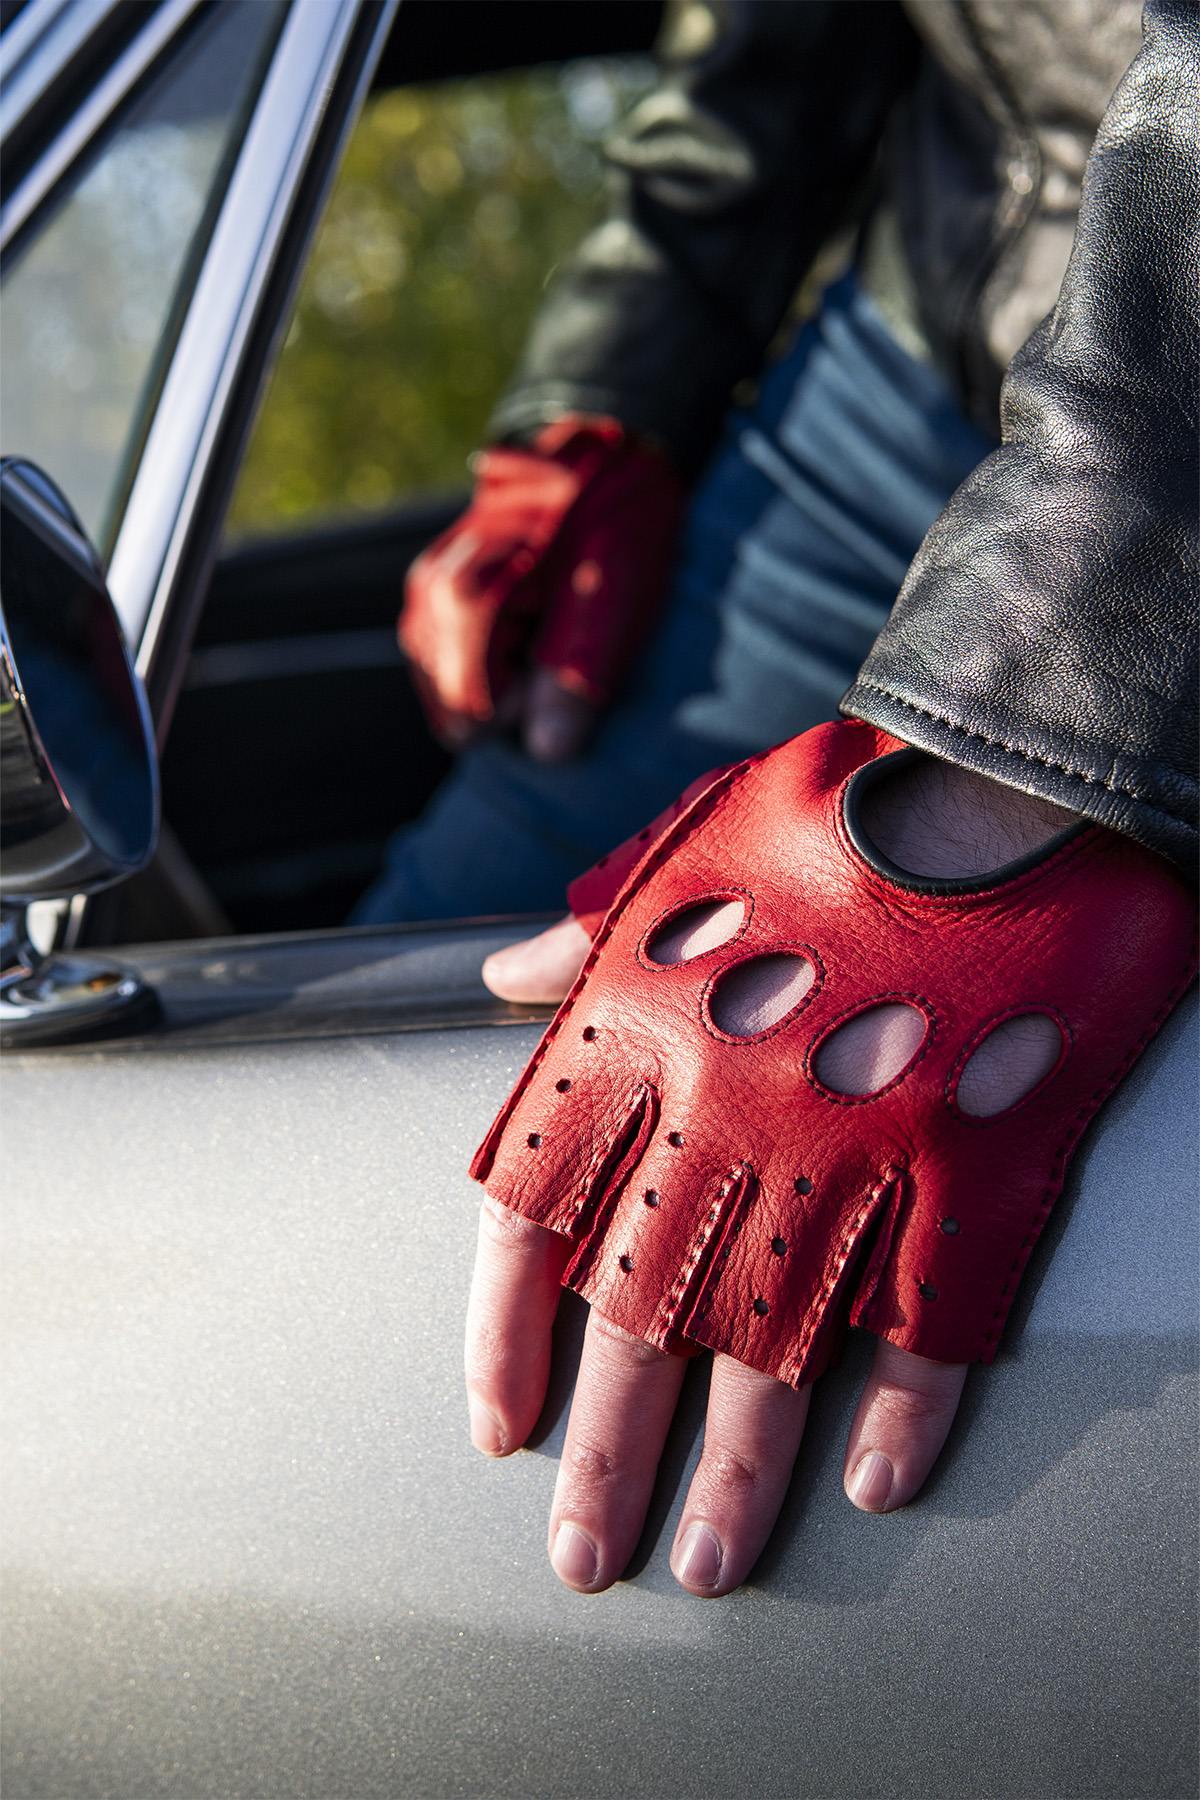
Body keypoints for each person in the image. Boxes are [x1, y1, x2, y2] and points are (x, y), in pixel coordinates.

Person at [365, 0, 1199, 1596]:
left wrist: (1033, 741)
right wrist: (632, 355)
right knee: (411, 992)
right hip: (901, 357)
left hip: (1166, 417)